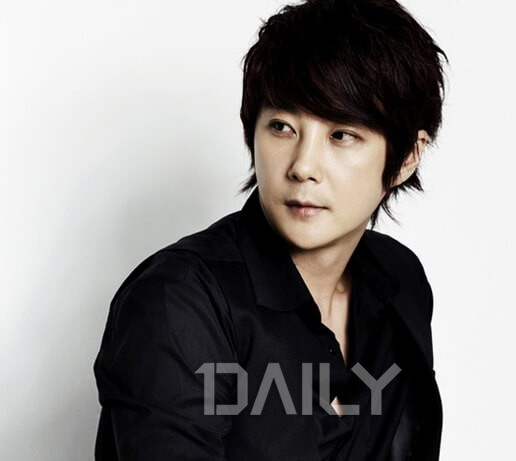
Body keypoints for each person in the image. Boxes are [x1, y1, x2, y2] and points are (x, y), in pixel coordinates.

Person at [93, 0, 446, 459]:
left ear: (407, 157)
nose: (303, 166)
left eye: (341, 135)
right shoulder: (180, 302)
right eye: (281, 127)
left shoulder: (400, 280)